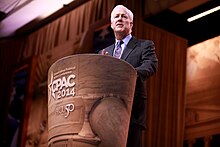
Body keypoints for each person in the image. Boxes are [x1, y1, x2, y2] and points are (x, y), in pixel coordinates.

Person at [98, 5, 158, 147]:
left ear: (131, 24)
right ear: (112, 24)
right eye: (116, 16)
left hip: (131, 111)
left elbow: (151, 65)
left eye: (124, 16)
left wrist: (127, 74)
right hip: (105, 114)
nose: (120, 19)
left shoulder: (144, 45)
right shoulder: (103, 52)